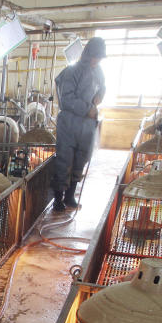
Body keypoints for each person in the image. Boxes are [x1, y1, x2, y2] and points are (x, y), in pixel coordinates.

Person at [52, 37, 106, 212]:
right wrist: (86, 109)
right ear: (88, 54)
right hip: (69, 123)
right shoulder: (72, 71)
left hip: (86, 126)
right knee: (64, 160)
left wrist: (100, 97)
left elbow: (103, 87)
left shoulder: (98, 71)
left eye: (99, 58)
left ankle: (70, 196)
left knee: (81, 159)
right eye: (95, 57)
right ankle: (58, 199)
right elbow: (66, 99)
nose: (96, 60)